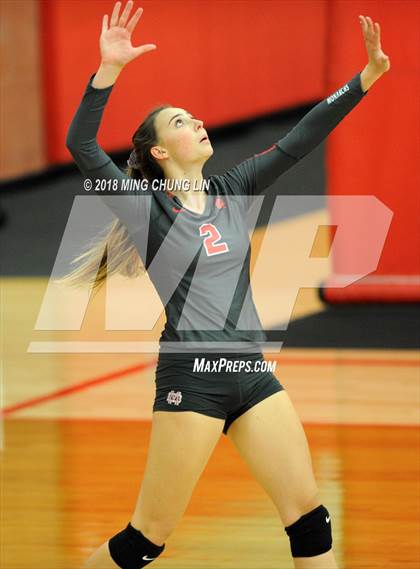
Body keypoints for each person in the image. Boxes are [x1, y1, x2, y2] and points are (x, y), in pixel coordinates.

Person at [64, 2, 390, 568]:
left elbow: (298, 139)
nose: (197, 123)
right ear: (161, 152)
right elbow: (83, 148)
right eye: (181, 122)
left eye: (194, 116)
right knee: (146, 539)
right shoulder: (145, 208)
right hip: (193, 378)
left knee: (309, 519)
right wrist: (107, 73)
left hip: (251, 371)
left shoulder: (233, 187)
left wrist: (362, 81)